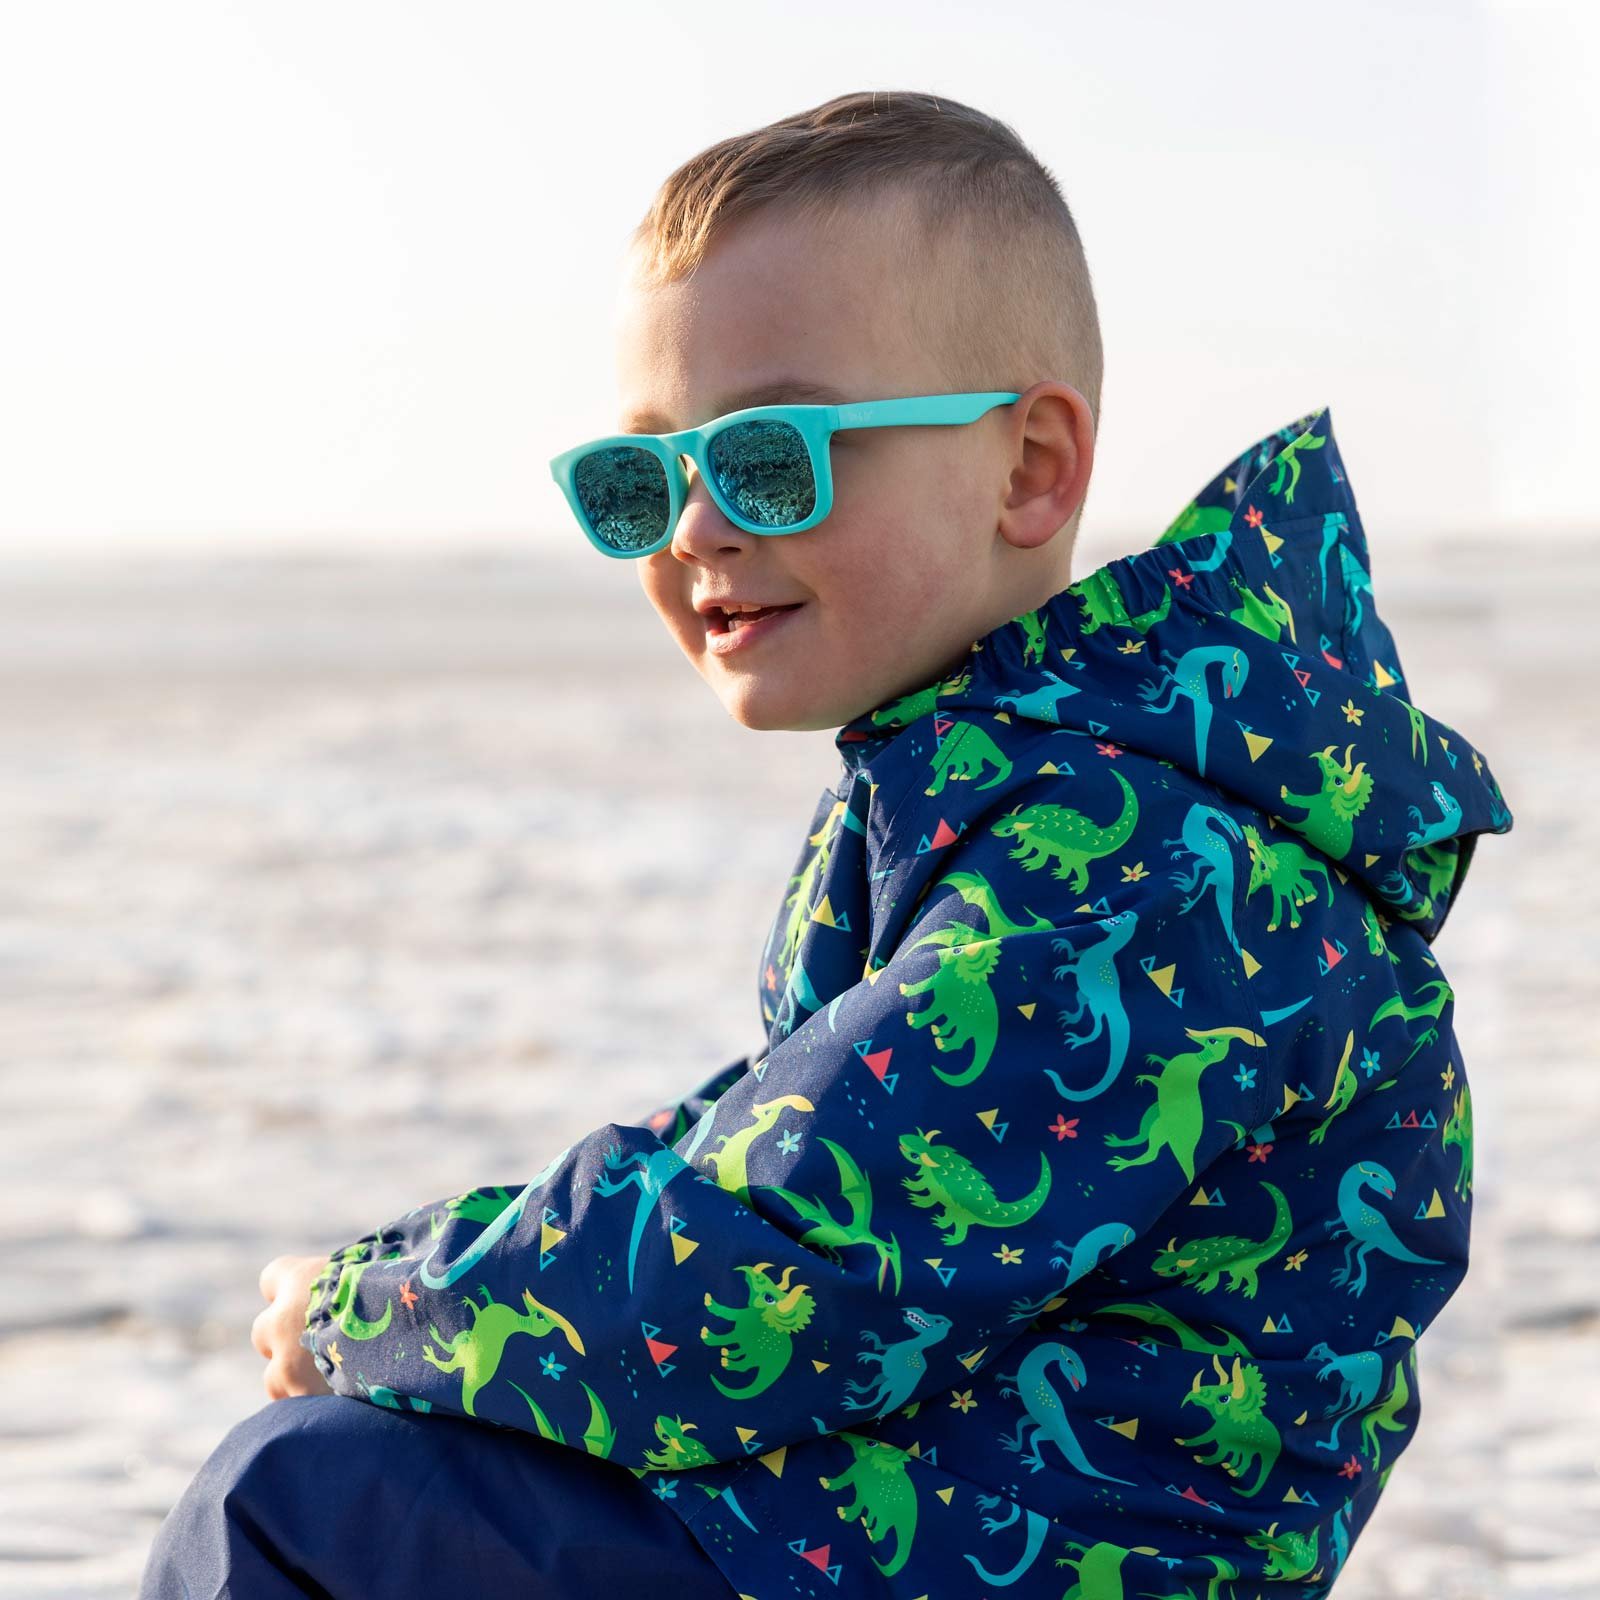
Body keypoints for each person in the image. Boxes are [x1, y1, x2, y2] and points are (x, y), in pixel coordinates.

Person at [143, 88, 1515, 1599]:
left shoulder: (1135, 867)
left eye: (768, 458)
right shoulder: (992, 792)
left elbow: (774, 1270)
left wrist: (373, 1310)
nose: (695, 529)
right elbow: (751, 1143)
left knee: (309, 1498)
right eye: (642, 480)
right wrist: (421, 1284)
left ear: (1028, 467)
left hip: (1019, 1562)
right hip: (909, 1519)